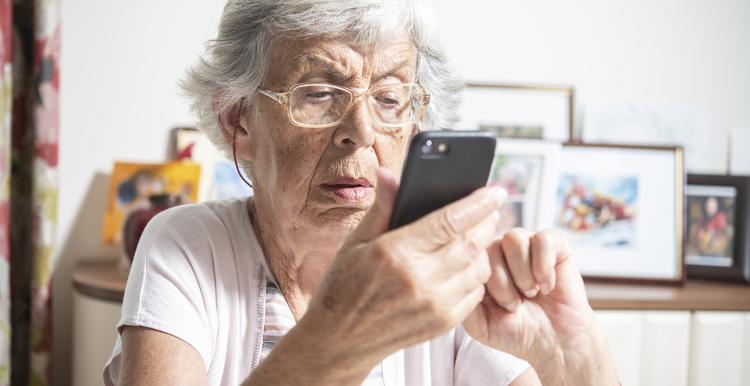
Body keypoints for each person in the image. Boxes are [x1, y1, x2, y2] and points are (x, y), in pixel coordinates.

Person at [103, 1, 620, 385]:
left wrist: (573, 356)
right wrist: (344, 333)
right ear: (239, 121)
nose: (362, 131)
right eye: (318, 93)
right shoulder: (189, 247)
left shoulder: (455, 275)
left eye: (390, 98)